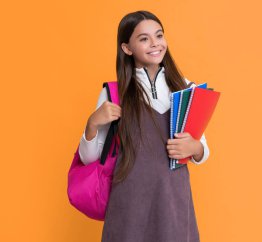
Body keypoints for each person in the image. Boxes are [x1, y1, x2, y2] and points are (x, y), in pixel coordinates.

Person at [78, 10, 210, 242]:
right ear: (127, 48)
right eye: (144, 39)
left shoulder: (186, 88)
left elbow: (203, 150)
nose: (155, 44)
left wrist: (195, 148)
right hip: (128, 205)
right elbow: (90, 159)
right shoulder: (113, 93)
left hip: (173, 202)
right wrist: (92, 123)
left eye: (159, 36)